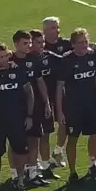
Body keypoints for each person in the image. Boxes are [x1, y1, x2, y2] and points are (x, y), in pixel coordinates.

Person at [56, 28, 96, 185]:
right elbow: (59, 87)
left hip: (92, 105)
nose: (84, 45)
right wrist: (60, 111)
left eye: (86, 42)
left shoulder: (92, 55)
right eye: (80, 42)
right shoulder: (66, 60)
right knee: (73, 139)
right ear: (73, 44)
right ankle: (73, 172)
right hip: (73, 108)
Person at [0, 43, 34, 191]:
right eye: (1, 57)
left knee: (20, 151)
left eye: (6, 55)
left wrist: (29, 116)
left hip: (18, 119)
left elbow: (29, 93)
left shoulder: (18, 70)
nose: (5, 59)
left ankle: (20, 180)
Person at [7, 31, 51, 187]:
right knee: (15, 142)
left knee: (34, 139)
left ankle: (32, 173)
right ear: (16, 43)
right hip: (15, 108)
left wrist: (46, 102)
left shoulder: (34, 59)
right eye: (25, 43)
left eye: (30, 43)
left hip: (35, 105)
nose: (29, 46)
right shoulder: (9, 60)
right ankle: (15, 175)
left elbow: (40, 81)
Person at [29, 29, 61, 179]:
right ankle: (31, 168)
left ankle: (46, 166)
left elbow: (65, 59)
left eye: (42, 42)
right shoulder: (23, 60)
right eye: (38, 42)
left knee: (46, 135)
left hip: (45, 103)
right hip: (29, 105)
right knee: (32, 138)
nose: (42, 45)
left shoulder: (49, 56)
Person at [42, 16, 72, 166]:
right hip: (44, 93)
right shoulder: (40, 46)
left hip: (63, 90)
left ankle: (58, 152)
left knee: (64, 122)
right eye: (53, 28)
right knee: (45, 128)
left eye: (58, 27)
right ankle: (44, 160)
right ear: (44, 30)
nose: (57, 30)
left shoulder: (66, 44)